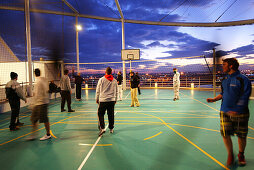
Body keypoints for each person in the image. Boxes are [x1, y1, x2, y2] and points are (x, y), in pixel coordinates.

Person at [207, 58, 251, 167]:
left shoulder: (243, 79)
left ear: (231, 66)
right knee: (225, 134)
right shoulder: (225, 79)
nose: (223, 66)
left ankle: (241, 154)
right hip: (225, 111)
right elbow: (223, 93)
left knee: (241, 135)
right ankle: (230, 154)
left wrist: (236, 109)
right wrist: (214, 99)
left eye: (224, 64)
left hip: (240, 113)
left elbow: (245, 96)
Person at [28, 68, 51, 141]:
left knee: (44, 119)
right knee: (34, 119)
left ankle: (48, 134)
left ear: (34, 73)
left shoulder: (38, 81)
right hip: (40, 103)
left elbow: (36, 93)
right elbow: (46, 90)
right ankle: (34, 134)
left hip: (41, 103)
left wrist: (32, 103)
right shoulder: (44, 79)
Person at [96, 67, 118, 136]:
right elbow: (117, 91)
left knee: (100, 114)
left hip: (103, 100)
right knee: (111, 115)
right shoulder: (114, 80)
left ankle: (102, 128)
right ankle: (111, 128)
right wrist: (115, 99)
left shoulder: (101, 79)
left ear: (105, 72)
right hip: (111, 100)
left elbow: (98, 90)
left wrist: (97, 98)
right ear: (111, 72)